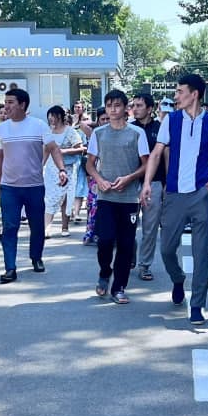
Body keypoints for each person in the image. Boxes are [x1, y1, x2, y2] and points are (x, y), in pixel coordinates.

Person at [140, 74, 208, 326]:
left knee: (201, 253)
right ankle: (178, 278)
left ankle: (198, 304)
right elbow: (156, 154)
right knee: (167, 249)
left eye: (180, 91)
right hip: (174, 193)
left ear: (195, 94)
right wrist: (147, 183)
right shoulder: (171, 120)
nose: (176, 96)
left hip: (202, 193)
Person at [0, 88, 67, 283]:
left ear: (22, 104)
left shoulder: (38, 125)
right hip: (10, 188)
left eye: (10, 102)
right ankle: (10, 267)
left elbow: (53, 149)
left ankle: (36, 257)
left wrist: (62, 169)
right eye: (5, 102)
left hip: (34, 186)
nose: (6, 106)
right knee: (10, 227)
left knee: (37, 225)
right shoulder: (2, 129)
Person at [86, 90, 150, 304]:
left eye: (117, 105)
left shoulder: (137, 133)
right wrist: (99, 180)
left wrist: (129, 178)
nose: (113, 110)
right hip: (105, 196)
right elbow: (90, 164)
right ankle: (105, 272)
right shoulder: (98, 133)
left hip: (129, 198)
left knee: (125, 244)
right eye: (109, 105)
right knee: (104, 240)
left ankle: (119, 287)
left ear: (125, 108)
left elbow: (146, 164)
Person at [130, 93, 165, 281]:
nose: (135, 109)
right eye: (133, 105)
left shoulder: (160, 129)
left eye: (139, 105)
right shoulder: (128, 128)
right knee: (127, 226)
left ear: (150, 109)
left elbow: (167, 157)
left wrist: (167, 184)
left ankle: (144, 265)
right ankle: (129, 252)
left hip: (154, 183)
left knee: (150, 228)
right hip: (130, 183)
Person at [43, 105, 85, 238]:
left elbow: (81, 148)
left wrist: (64, 151)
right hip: (51, 169)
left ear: (60, 116)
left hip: (67, 168)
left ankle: (65, 226)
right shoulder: (48, 132)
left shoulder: (70, 131)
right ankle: (46, 227)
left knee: (66, 197)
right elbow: (45, 151)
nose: (51, 119)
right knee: (50, 197)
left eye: (53, 116)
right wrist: (40, 166)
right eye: (49, 117)